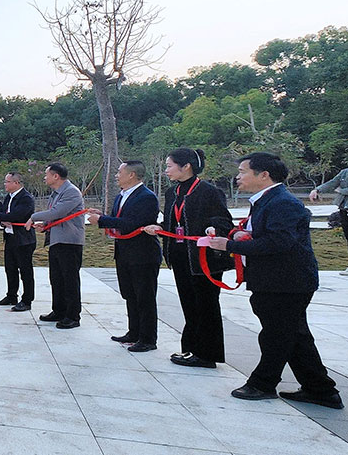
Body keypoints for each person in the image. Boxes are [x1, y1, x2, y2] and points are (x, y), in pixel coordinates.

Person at [207, 152, 342, 409]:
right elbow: (266, 235)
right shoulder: (266, 200)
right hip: (275, 280)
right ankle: (321, 390)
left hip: (286, 282)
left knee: (276, 336)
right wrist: (237, 236)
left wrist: (230, 245)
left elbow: (279, 242)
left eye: (243, 172)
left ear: (264, 175)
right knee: (294, 336)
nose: (238, 177)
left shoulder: (282, 203)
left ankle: (262, 384)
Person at [143, 148, 233, 369]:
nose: (166, 171)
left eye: (169, 166)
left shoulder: (209, 191)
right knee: (189, 304)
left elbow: (223, 220)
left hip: (203, 258)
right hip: (180, 256)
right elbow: (174, 222)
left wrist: (213, 228)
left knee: (206, 305)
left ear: (186, 167)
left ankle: (207, 355)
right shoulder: (172, 192)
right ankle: (191, 348)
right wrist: (160, 228)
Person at [88, 160, 161, 352]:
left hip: (143, 255)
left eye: (119, 172)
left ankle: (148, 339)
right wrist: (102, 216)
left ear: (131, 175)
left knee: (144, 297)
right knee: (130, 295)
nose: (116, 175)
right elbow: (119, 220)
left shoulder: (146, 197)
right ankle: (134, 332)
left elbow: (133, 223)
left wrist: (102, 220)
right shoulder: (121, 196)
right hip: (124, 253)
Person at [27, 162, 85, 329]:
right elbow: (55, 217)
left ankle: (72, 316)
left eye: (47, 175)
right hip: (56, 240)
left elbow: (57, 212)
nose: (44, 178)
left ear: (56, 176)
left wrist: (33, 217)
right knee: (57, 279)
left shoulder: (71, 192)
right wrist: (45, 225)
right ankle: (59, 311)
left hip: (69, 242)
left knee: (70, 280)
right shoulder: (56, 193)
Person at [0, 172, 36, 312]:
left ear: (16, 183)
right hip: (10, 238)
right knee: (10, 269)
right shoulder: (8, 197)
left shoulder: (26, 198)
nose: (5, 184)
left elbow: (16, 215)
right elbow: (6, 215)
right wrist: (3, 220)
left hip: (24, 240)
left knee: (25, 271)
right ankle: (11, 296)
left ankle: (27, 300)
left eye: (7, 181)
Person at [310, 165, 348, 275]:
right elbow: (332, 183)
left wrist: (341, 190)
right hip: (344, 209)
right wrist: (317, 190)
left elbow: (341, 189)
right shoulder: (344, 172)